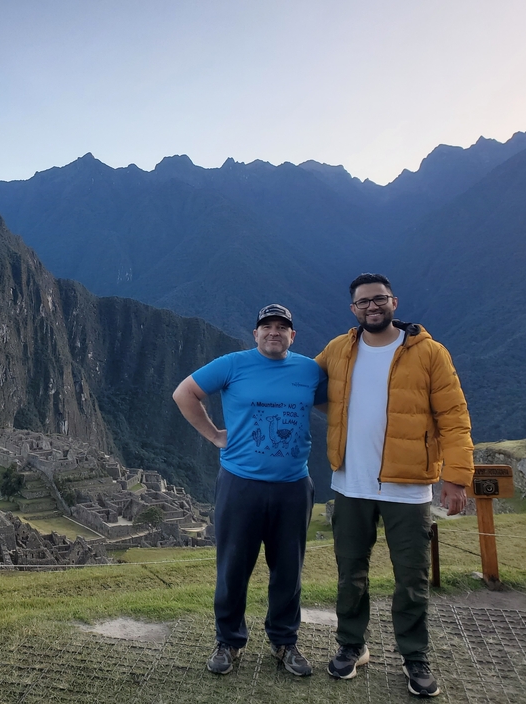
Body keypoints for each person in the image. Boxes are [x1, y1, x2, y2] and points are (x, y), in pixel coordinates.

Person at [315, 273, 473, 698]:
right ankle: (351, 646)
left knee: (412, 578)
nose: (372, 307)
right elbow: (303, 386)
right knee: (351, 574)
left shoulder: (428, 353)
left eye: (379, 299)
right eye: (363, 302)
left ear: (394, 303)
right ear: (353, 309)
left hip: (408, 488)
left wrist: (457, 478)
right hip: (350, 483)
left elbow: (454, 416)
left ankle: (415, 657)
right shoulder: (338, 350)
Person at [172, 304, 327, 677]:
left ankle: (284, 641)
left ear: (293, 335)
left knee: (289, 569)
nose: (274, 332)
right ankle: (228, 640)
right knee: (233, 567)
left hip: (293, 485)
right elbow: (185, 393)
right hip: (240, 483)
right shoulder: (233, 364)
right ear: (255, 333)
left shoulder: (309, 370)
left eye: (282, 327)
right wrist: (214, 436)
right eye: (267, 326)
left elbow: (334, 409)